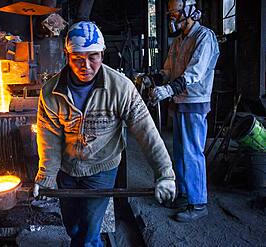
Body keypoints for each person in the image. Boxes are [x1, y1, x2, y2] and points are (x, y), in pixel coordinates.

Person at [33, 20, 176, 246]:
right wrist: (47, 175)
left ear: (102, 53)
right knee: (73, 226)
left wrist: (165, 173)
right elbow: (48, 136)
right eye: (78, 58)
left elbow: (146, 131)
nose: (86, 65)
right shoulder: (51, 92)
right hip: (67, 170)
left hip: (102, 169)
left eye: (93, 57)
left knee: (88, 231)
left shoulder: (121, 87)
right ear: (67, 56)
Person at [150, 0, 220, 222]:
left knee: (192, 152)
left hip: (195, 101)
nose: (172, 17)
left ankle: (198, 203)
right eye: (170, 13)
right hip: (180, 101)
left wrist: (168, 89)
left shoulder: (204, 37)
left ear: (189, 11)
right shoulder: (179, 41)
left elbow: (195, 73)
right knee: (180, 151)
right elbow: (169, 70)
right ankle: (183, 194)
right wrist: (154, 79)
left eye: (174, 13)